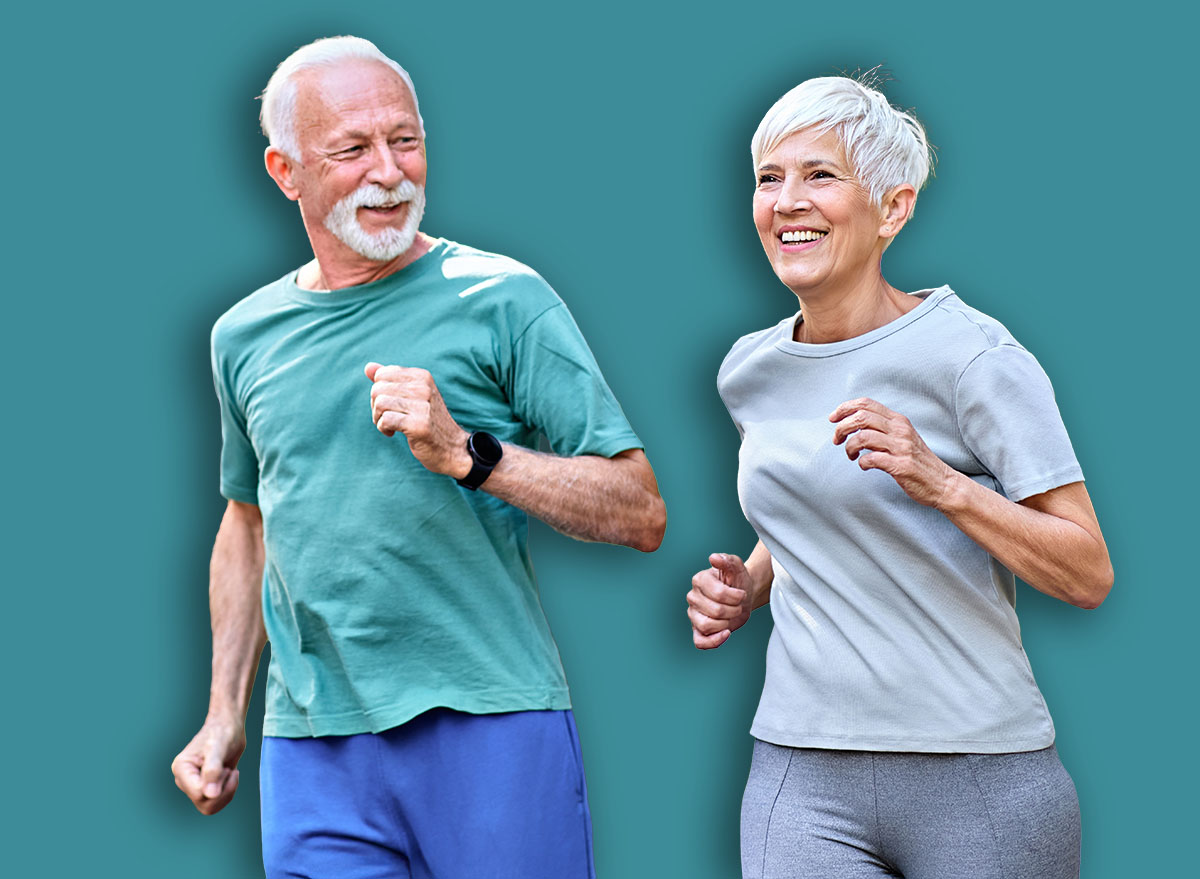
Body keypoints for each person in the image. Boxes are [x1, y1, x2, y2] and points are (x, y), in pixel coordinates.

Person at [170, 35, 666, 879]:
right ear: (285, 172)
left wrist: (471, 455)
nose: (388, 171)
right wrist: (223, 710)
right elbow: (249, 523)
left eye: (404, 139)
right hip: (312, 750)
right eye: (353, 149)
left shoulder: (505, 297)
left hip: (490, 723)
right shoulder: (241, 336)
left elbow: (640, 509)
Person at [686, 75, 1112, 879]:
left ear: (893, 208)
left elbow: (1087, 569)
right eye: (769, 178)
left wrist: (941, 480)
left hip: (979, 774)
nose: (787, 201)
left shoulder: (975, 359)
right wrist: (748, 582)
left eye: (820, 175)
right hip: (799, 769)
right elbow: (814, 503)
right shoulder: (749, 369)